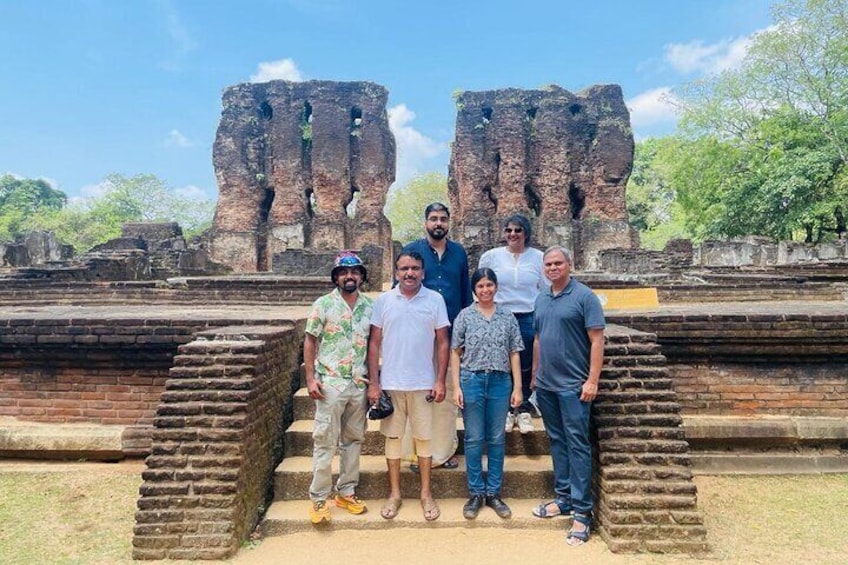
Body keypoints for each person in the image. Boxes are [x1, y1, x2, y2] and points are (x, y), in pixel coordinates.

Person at [368, 251, 450, 522]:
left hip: (423, 383)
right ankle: (395, 493)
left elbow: (442, 342)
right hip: (391, 383)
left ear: (423, 273)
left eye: (415, 268)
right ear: (396, 272)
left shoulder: (435, 300)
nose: (409, 273)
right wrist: (375, 383)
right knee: (393, 439)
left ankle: (426, 493)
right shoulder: (384, 301)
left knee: (424, 439)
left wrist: (439, 380)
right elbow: (374, 343)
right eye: (404, 268)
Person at [531, 246, 605, 547]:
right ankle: (563, 498)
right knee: (557, 440)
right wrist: (535, 374)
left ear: (569, 265)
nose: (552, 268)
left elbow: (597, 340)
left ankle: (582, 511)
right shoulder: (542, 298)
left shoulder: (585, 297)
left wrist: (592, 380)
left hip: (574, 386)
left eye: (558, 263)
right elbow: (537, 338)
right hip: (547, 385)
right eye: (548, 264)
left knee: (578, 444)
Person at [303, 251, 373, 524]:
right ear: (336, 277)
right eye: (344, 272)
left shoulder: (369, 307)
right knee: (325, 441)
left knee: (353, 441)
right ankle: (319, 498)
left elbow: (374, 344)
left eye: (354, 272)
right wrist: (310, 378)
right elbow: (310, 341)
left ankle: (346, 491)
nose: (349, 276)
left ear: (362, 277)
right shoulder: (324, 304)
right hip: (330, 383)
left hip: (358, 383)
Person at [401, 202, 472, 469]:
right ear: (425, 223)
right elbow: (402, 291)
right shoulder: (413, 251)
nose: (438, 223)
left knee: (447, 394)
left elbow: (465, 294)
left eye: (443, 218)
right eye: (433, 219)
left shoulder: (458, 253)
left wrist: (465, 333)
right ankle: (417, 451)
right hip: (419, 335)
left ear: (449, 222)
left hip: (451, 334)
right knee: (419, 393)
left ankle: (444, 450)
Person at [451, 268, 524, 520]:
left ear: (496, 287)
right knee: (473, 438)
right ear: (474, 289)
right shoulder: (465, 316)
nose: (485, 290)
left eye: (489, 285)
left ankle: (493, 492)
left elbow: (515, 351)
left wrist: (518, 387)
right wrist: (456, 386)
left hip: (500, 381)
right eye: (480, 286)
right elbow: (455, 352)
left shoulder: (507, 316)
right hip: (471, 379)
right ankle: (475, 493)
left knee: (496, 438)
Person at [479, 213, 546, 435]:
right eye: (508, 230)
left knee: (526, 363)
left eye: (518, 230)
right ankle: (507, 409)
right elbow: (482, 285)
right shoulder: (492, 257)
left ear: (526, 233)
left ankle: (524, 407)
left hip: (528, 314)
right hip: (500, 315)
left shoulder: (538, 257)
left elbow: (545, 289)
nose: (513, 234)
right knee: (502, 363)